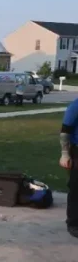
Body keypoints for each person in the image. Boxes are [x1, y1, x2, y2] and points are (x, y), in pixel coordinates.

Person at [59, 98, 78, 239]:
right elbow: (65, 130)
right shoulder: (76, 106)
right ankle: (73, 223)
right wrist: (65, 154)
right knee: (76, 187)